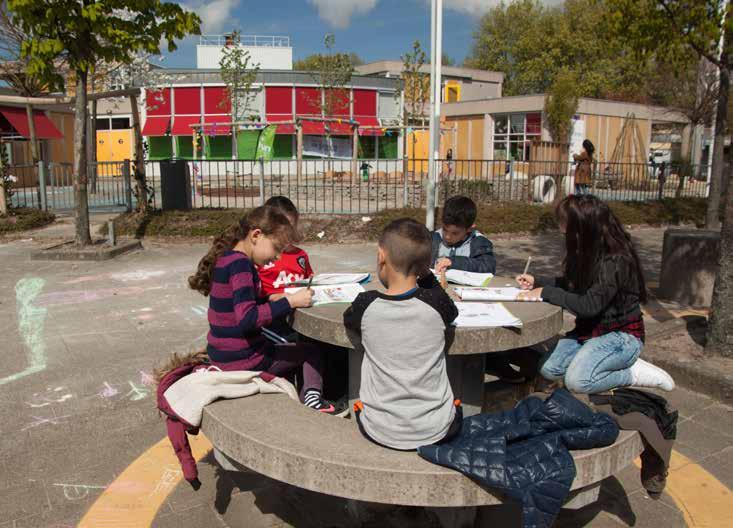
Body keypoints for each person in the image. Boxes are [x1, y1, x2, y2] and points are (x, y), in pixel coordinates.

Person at [188, 206, 342, 414]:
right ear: (256, 235)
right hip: (243, 359)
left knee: (286, 346)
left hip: (222, 355)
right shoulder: (241, 265)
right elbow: (247, 319)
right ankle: (312, 401)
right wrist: (290, 302)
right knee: (310, 352)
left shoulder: (227, 258)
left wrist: (270, 298)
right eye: (276, 248)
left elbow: (239, 305)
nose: (278, 257)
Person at [516, 195, 675, 393]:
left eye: (565, 224)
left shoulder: (616, 260)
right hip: (589, 332)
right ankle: (595, 361)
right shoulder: (585, 251)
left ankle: (631, 373)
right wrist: (538, 282)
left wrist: (547, 292)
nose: (561, 229)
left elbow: (589, 306)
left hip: (621, 335)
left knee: (578, 381)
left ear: (583, 227)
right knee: (548, 369)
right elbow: (572, 285)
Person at [344, 218, 462, 450]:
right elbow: (452, 311)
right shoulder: (436, 303)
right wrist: (427, 275)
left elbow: (349, 321)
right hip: (438, 428)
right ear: (424, 265)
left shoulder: (365, 305)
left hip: (378, 428)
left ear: (381, 257)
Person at [257, 196, 313, 301]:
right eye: (282, 228)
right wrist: (275, 297)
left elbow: (309, 282)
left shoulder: (301, 255)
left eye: (291, 227)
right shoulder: (259, 257)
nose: (287, 233)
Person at [432, 195, 496, 274]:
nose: (447, 237)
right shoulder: (434, 238)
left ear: (470, 228)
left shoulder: (479, 242)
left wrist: (454, 262)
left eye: (455, 233)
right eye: (445, 230)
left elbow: (488, 267)